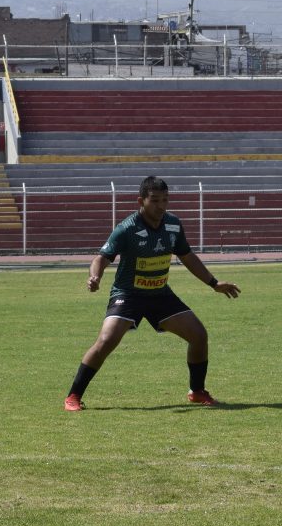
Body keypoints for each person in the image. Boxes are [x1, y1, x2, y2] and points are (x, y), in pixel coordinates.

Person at [63, 176, 241, 411]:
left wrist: (213, 283)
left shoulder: (173, 225)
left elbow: (187, 257)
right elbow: (101, 257)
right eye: (155, 200)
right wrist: (95, 276)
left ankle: (197, 391)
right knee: (106, 341)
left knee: (199, 335)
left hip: (159, 294)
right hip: (128, 294)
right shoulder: (127, 228)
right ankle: (73, 396)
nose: (161, 205)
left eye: (165, 200)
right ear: (141, 201)